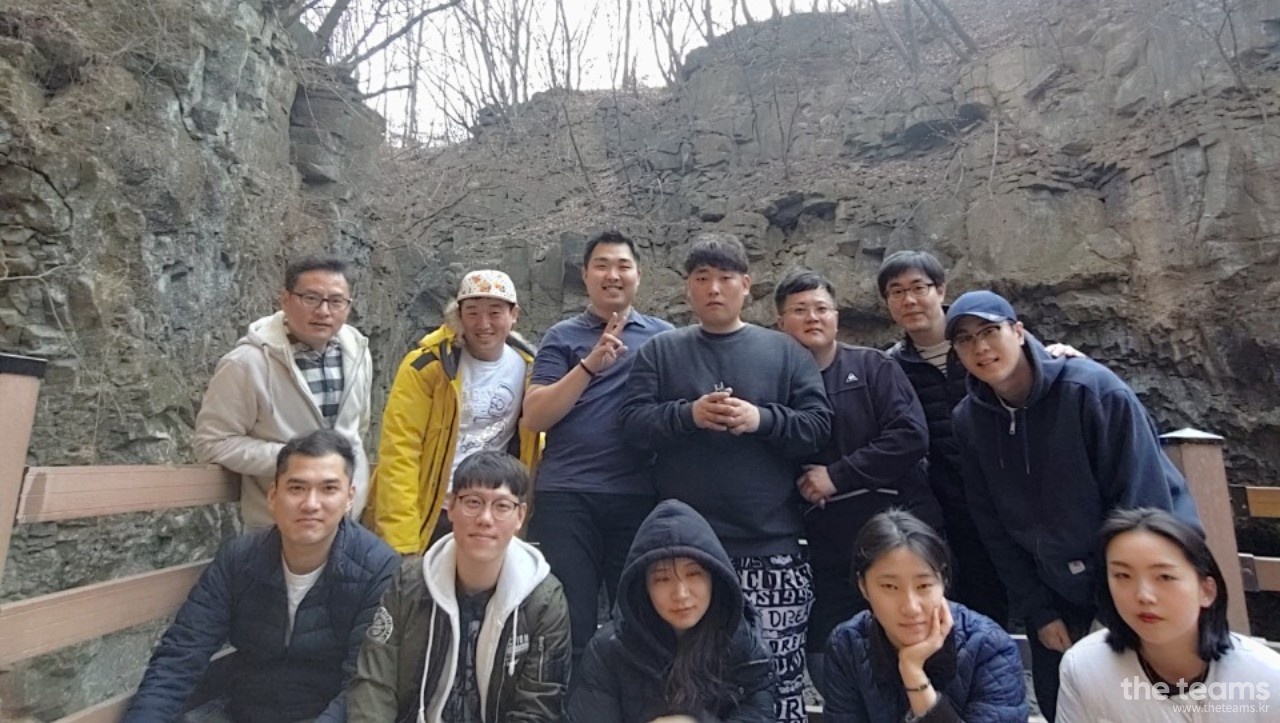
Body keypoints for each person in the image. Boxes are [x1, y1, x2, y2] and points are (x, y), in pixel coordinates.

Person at [946, 289, 1201, 721]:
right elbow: (992, 524)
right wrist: (1038, 612)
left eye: (989, 331)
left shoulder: (1092, 390)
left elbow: (1143, 502)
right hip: (1054, 591)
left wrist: (1116, 606)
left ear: (1018, 331)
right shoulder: (969, 421)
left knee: (1152, 703)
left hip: (1136, 585)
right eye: (965, 339)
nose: (980, 347)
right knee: (1060, 700)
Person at [619, 234, 832, 723]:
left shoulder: (785, 351)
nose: (714, 288)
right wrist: (688, 415)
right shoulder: (660, 351)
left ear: (746, 285)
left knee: (776, 679)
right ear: (688, 288)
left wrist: (762, 419)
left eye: (725, 278)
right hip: (683, 554)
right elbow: (631, 426)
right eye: (702, 278)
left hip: (770, 544)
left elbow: (818, 427)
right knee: (685, 682)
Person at [125, 430, 399, 723]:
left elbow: (361, 686)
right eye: (296, 488)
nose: (311, 503)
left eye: (329, 489)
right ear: (273, 496)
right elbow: (181, 656)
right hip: (245, 711)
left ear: (349, 498)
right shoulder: (239, 560)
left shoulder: (379, 569)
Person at [773, 269, 942, 690]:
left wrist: (837, 476)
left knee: (913, 646)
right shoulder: (773, 383)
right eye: (800, 310)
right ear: (780, 322)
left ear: (837, 316)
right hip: (825, 551)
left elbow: (910, 436)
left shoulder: (872, 366)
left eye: (821, 308)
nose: (813, 317)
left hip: (896, 535)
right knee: (830, 660)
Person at [523, 230, 674, 671]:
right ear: (586, 275)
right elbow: (536, 416)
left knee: (640, 619)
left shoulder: (665, 339)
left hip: (639, 495)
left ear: (638, 275)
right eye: (602, 265)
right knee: (569, 620)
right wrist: (590, 365)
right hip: (567, 495)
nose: (613, 275)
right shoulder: (562, 336)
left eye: (623, 266)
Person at [347, 451, 571, 722]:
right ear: (451, 506)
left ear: (520, 515)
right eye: (473, 502)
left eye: (502, 506)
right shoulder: (409, 584)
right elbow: (374, 681)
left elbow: (538, 706)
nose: (485, 518)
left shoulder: (543, 601)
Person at [876, 251, 1007, 625]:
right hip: (948, 512)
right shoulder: (889, 366)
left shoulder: (988, 341)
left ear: (941, 290)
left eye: (919, 287)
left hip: (1012, 497)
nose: (909, 300)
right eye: (897, 291)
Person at [194, 256, 372, 529]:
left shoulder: (357, 354)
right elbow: (212, 443)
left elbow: (358, 431)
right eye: (311, 298)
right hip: (278, 527)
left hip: (347, 524)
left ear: (348, 306)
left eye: (336, 301)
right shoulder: (247, 364)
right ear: (285, 300)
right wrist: (294, 460)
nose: (324, 311)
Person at [372, 269, 541, 556]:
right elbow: (400, 451)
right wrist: (401, 539)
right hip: (434, 508)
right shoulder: (428, 367)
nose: (483, 324)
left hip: (492, 508)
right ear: (458, 315)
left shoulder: (529, 368)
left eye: (495, 312)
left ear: (514, 315)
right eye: (472, 312)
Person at [566, 499, 778, 723]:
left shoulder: (746, 648)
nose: (681, 593)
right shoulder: (608, 650)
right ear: (643, 588)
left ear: (715, 578)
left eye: (693, 574)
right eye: (662, 579)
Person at [1059, 508, 1280, 722]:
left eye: (1164, 577)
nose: (1144, 595)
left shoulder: (1267, 678)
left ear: (1206, 590)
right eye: (1123, 575)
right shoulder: (1084, 667)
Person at [822, 510, 1027, 723]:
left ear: (943, 582)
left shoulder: (989, 647)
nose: (911, 607)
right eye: (890, 587)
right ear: (863, 586)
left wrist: (914, 676)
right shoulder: (847, 644)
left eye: (924, 586)